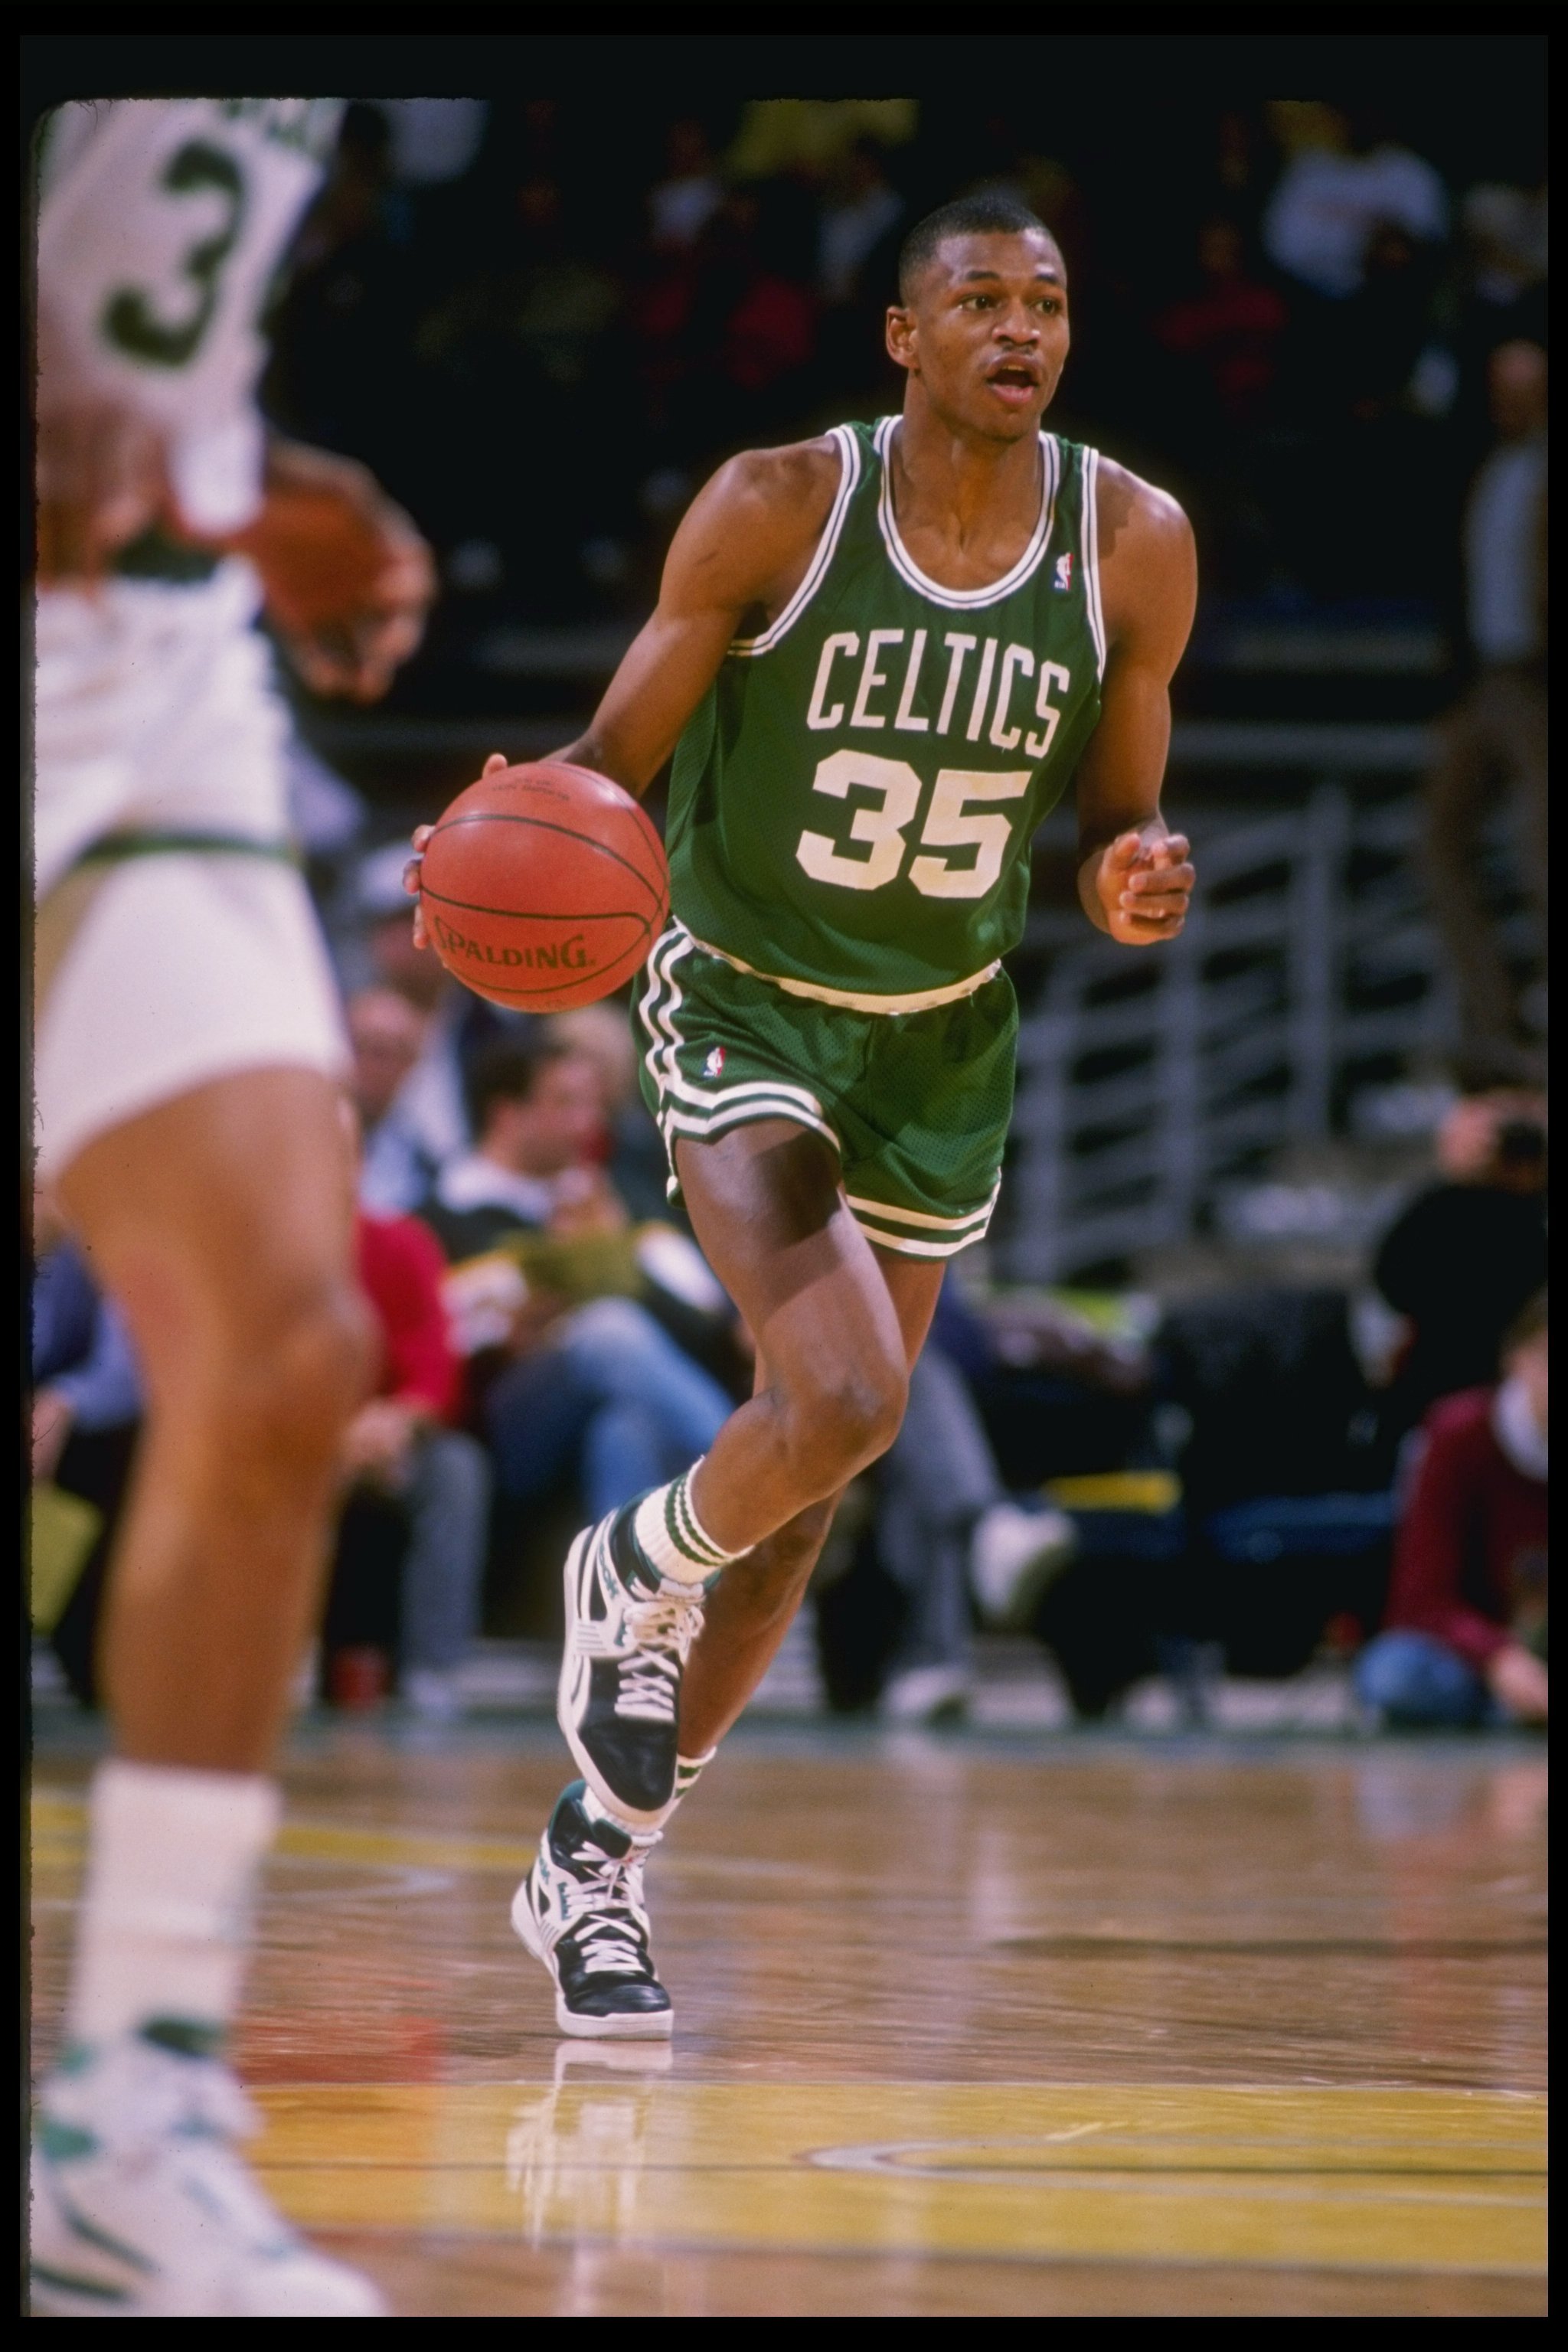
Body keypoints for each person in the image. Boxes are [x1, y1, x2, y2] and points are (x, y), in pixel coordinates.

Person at [408, 188, 1197, 2039]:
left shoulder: (1133, 541)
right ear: (902, 336)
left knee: (804, 1507)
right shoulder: (781, 501)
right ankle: (631, 1561)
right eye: (979, 300)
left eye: (1049, 302)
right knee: (847, 1395)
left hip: (942, 1038)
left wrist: (1134, 875)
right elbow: (611, 762)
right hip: (746, 1000)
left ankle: (588, 1866)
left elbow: (1115, 822)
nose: (1021, 329)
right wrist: (500, 842)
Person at [31, 98, 433, 2316]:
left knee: (291, 1353)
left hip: (143, 668)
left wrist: (243, 493)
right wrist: (247, 500)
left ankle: (133, 2105)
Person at [420, 1037, 734, 1532]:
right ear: (508, 1114)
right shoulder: (444, 1216)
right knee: (604, 1328)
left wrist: (610, 1258)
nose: (590, 1124)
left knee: (626, 1431)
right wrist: (512, 1331)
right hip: (509, 1430)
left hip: (623, 1402)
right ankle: (752, 1481)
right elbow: (437, 1345)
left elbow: (708, 1316)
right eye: (566, 1104)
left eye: (592, 1105)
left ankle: (634, 1599)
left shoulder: (618, 1196)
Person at [335, 1118, 492, 1718]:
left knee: (456, 1469)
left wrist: (393, 1423)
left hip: (391, 1441)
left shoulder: (404, 1244)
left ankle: (434, 1672)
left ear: (361, 1166)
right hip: (290, 1440)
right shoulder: (256, 1250)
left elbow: (436, 1368)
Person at [1423, 340, 1547, 1087]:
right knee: (1438, 840)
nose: (1511, 400)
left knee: (1540, 851)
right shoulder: (1490, 467)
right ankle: (1490, 1014)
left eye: (1524, 386)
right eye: (1502, 386)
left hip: (1537, 680)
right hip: (1486, 677)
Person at [1356, 1294, 1547, 1730]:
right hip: (1468, 1653)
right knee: (1395, 1677)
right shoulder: (1458, 1435)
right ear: (1517, 1359)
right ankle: (1505, 1714)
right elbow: (1422, 1597)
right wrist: (1499, 1658)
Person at [1373, 1089, 1547, 1450]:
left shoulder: (1530, 1223)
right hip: (1438, 1396)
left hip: (1518, 1405)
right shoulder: (1447, 1212)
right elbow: (1392, 1279)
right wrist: (1456, 1177)